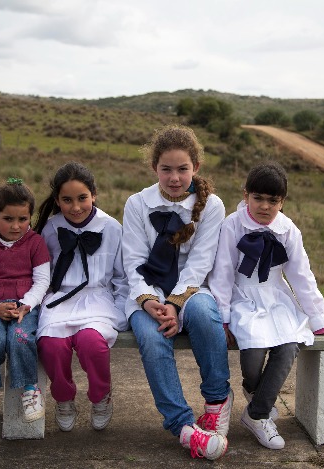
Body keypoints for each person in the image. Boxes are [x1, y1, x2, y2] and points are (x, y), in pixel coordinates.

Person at [208, 162, 324, 450]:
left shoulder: (288, 230)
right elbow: (222, 273)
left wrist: (320, 320)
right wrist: (222, 316)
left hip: (276, 297)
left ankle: (257, 414)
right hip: (241, 298)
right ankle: (255, 391)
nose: (264, 206)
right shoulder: (232, 225)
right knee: (253, 351)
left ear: (282, 202)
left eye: (273, 201)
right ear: (246, 195)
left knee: (288, 345)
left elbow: (301, 276)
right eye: (258, 198)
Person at [121, 125, 233, 461]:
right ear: (154, 168)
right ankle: (184, 428)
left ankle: (217, 403)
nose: (174, 177)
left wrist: (175, 302)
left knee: (203, 314)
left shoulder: (211, 206)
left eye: (182, 169)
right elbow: (133, 262)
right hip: (146, 291)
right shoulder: (137, 204)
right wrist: (152, 302)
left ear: (195, 167)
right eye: (166, 169)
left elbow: (200, 264)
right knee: (153, 337)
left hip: (191, 289)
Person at [33, 162, 129, 432]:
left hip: (98, 300)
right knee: (51, 346)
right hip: (59, 299)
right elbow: (40, 274)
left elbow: (121, 277)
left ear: (94, 194)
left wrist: (121, 310)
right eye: (67, 200)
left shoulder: (111, 227)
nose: (75, 207)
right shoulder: (50, 229)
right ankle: (63, 398)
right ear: (57, 201)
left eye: (82, 198)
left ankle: (101, 396)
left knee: (91, 343)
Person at [0, 177, 51, 425]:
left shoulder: (35, 243)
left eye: (22, 219)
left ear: (30, 218)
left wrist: (27, 304)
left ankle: (29, 388)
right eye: (8, 219)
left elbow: (42, 281)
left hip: (26, 307)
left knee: (20, 337)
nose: (16, 226)